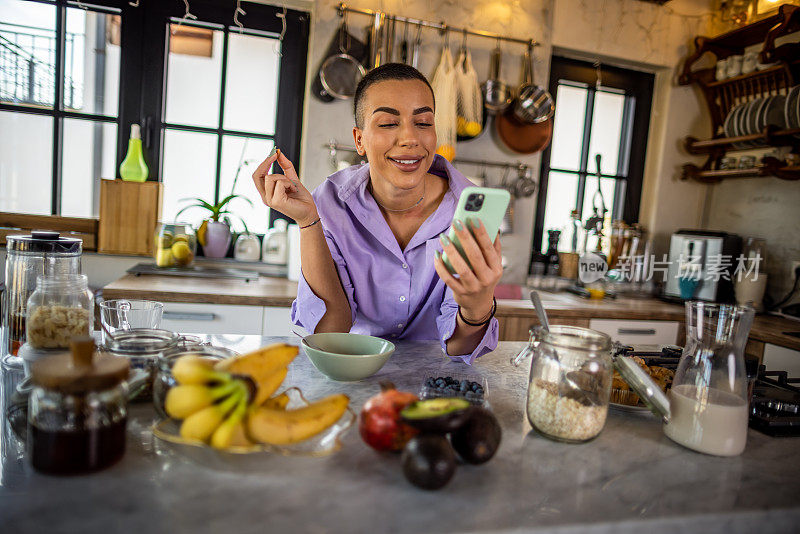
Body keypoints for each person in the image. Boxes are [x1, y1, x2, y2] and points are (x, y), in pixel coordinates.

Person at [252, 63, 501, 363]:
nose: (410, 138)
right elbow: (332, 331)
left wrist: (477, 306)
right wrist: (308, 222)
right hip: (354, 372)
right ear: (359, 140)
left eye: (423, 122)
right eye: (387, 124)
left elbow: (459, 350)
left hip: (435, 385)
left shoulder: (470, 210)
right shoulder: (331, 202)